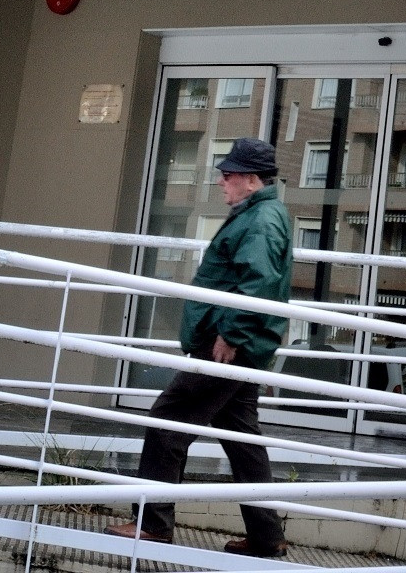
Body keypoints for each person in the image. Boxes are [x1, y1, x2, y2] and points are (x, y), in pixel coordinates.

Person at [110, 137, 293, 557]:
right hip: (238, 343)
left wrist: (232, 336)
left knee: (167, 420)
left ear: (250, 180)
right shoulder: (261, 213)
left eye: (227, 175)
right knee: (243, 441)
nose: (221, 183)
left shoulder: (261, 220)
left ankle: (153, 526)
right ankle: (266, 538)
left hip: (227, 347)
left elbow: (258, 282)